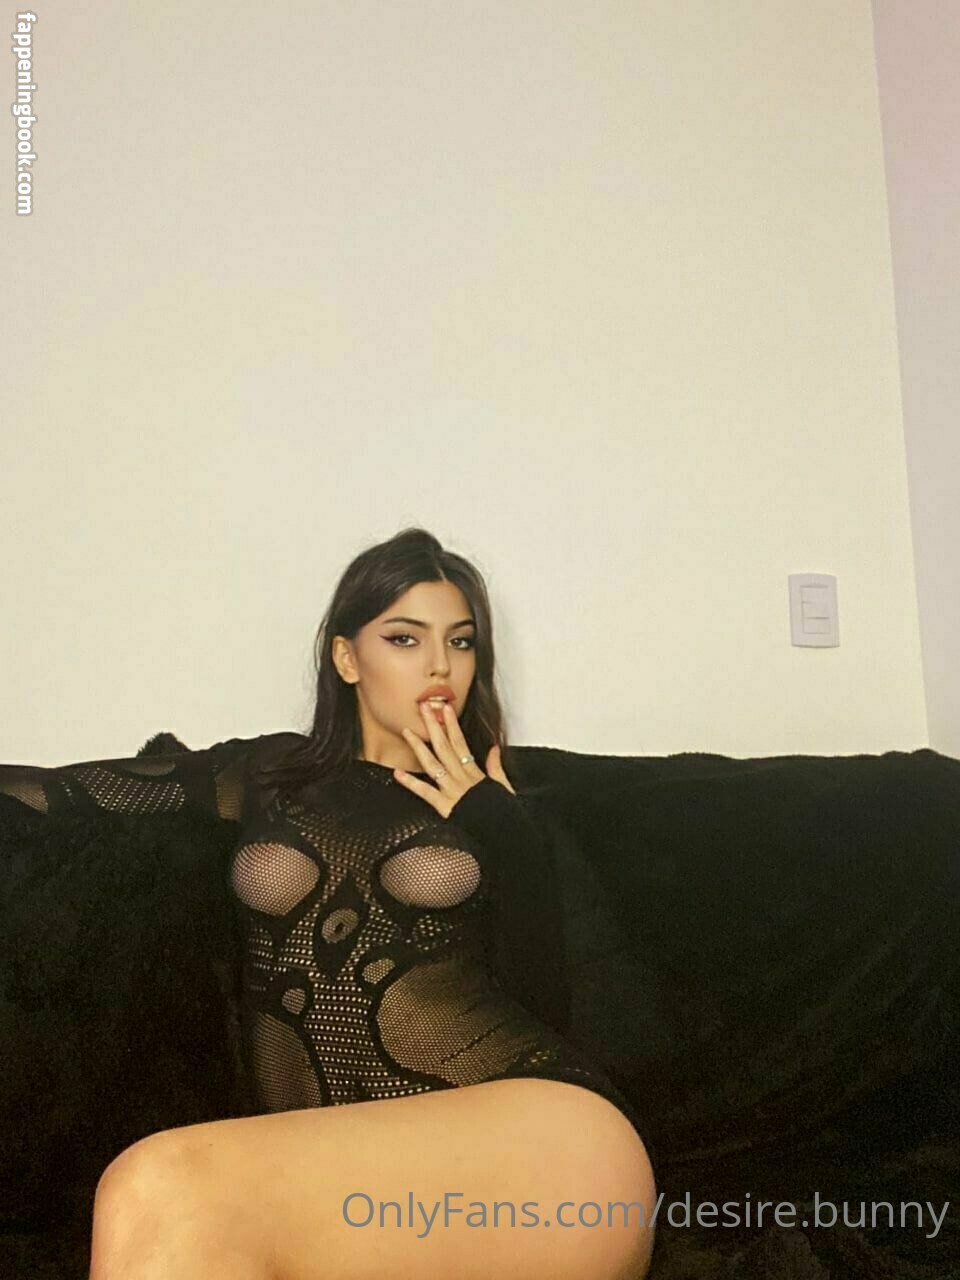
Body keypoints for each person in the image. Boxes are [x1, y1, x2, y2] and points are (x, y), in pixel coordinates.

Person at [1, 527, 658, 1280]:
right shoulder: (269, 773)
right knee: (182, 1221)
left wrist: (503, 830)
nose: (440, 665)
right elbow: (70, 794)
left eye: (461, 641)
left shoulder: (503, 804)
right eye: (405, 638)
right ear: (347, 659)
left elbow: (556, 1008)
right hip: (352, 1199)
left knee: (158, 1185)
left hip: (546, 1154)